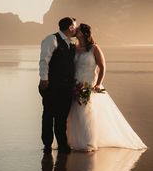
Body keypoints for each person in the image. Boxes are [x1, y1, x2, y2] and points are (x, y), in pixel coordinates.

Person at [67, 23, 147, 151]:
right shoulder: (74, 48)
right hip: (75, 84)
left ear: (84, 33)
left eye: (78, 29)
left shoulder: (94, 48)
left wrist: (98, 84)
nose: (75, 30)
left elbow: (103, 67)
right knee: (74, 113)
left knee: (87, 113)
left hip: (89, 84)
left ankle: (88, 142)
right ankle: (74, 142)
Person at [38, 16, 78, 154]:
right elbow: (44, 60)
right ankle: (47, 145)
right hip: (51, 85)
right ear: (70, 27)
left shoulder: (71, 43)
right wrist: (44, 79)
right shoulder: (52, 39)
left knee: (62, 117)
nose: (76, 29)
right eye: (75, 26)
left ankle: (62, 144)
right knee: (49, 115)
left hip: (66, 87)